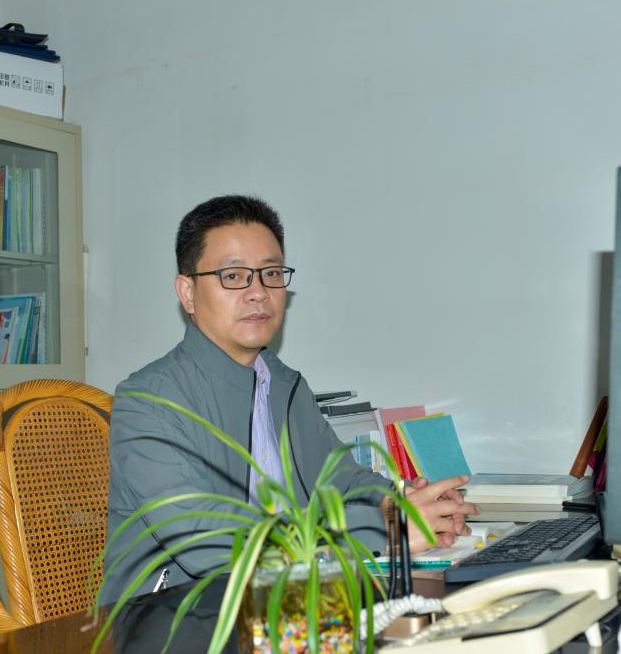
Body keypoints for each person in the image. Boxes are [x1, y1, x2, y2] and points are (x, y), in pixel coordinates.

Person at [103, 195, 478, 602]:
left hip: (288, 605)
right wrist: (386, 529)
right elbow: (208, 546)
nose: (258, 292)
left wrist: (412, 505)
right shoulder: (149, 402)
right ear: (188, 292)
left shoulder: (285, 386)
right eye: (233, 276)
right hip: (174, 617)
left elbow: (343, 481)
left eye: (271, 273)